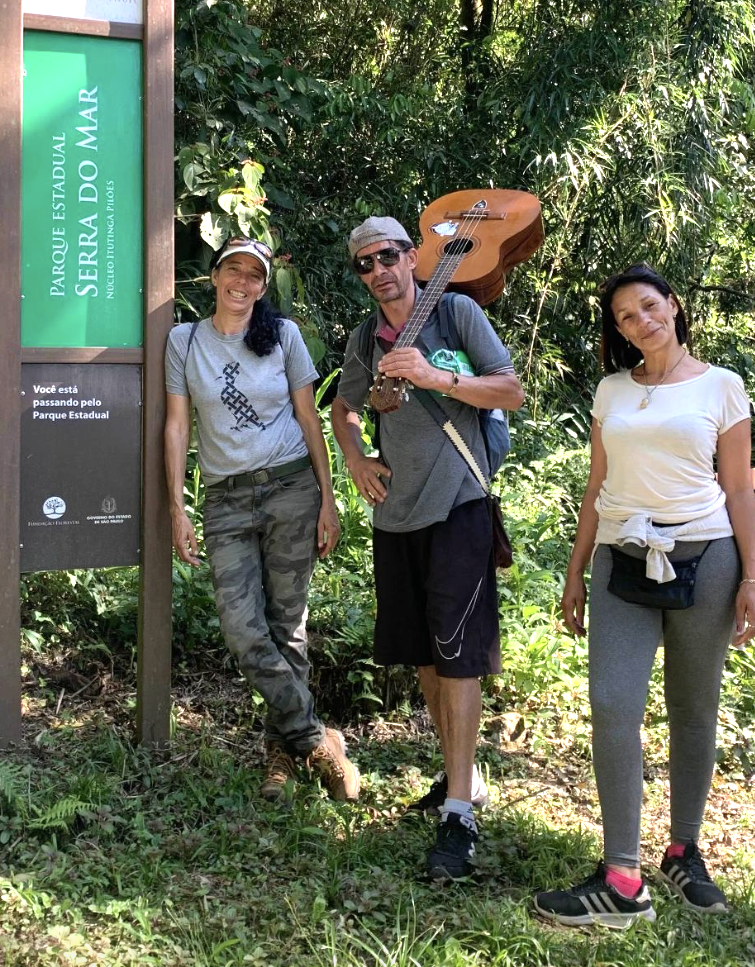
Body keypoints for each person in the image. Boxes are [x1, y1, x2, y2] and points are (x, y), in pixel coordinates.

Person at [534, 263, 755, 928]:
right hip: (622, 559)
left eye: (649, 306)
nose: (641, 321)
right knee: (612, 705)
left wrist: (752, 578)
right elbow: (596, 486)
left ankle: (683, 850)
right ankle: (621, 877)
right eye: (625, 317)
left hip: (706, 558)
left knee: (693, 708)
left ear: (674, 304)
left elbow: (739, 488)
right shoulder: (611, 390)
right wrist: (576, 571)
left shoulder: (721, 386)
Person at [330, 216, 523, 879]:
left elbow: (510, 389)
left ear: (412, 257)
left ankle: (460, 815)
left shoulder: (456, 313)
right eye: (365, 263)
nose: (378, 270)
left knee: (458, 657)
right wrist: (356, 457)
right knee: (425, 657)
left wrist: (436, 378)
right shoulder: (365, 338)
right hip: (396, 516)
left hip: (459, 505)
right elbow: (343, 410)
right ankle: (458, 777)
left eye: (387, 256)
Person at [164, 235, 359, 803]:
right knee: (243, 631)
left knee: (286, 626)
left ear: (263, 286)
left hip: (290, 488)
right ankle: (317, 740)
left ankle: (281, 756)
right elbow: (177, 426)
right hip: (225, 499)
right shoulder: (184, 341)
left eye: (254, 275)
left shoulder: (284, 336)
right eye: (233, 270)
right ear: (214, 275)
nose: (242, 282)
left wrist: (328, 498)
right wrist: (177, 507)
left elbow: (308, 417)